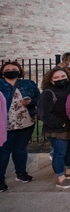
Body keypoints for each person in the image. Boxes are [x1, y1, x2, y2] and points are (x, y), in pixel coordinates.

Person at [0, 62, 40, 192]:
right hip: (5, 123)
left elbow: (39, 99)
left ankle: (21, 173)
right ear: (2, 72)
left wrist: (31, 102)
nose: (11, 71)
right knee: (4, 152)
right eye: (8, 69)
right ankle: (1, 179)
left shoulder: (28, 84)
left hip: (25, 121)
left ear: (20, 71)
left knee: (21, 149)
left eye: (14, 69)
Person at [37, 67, 70, 189]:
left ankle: (69, 172)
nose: (61, 79)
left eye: (63, 76)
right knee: (59, 153)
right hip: (57, 128)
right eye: (56, 77)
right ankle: (60, 178)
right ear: (51, 80)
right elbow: (44, 114)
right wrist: (61, 124)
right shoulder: (48, 93)